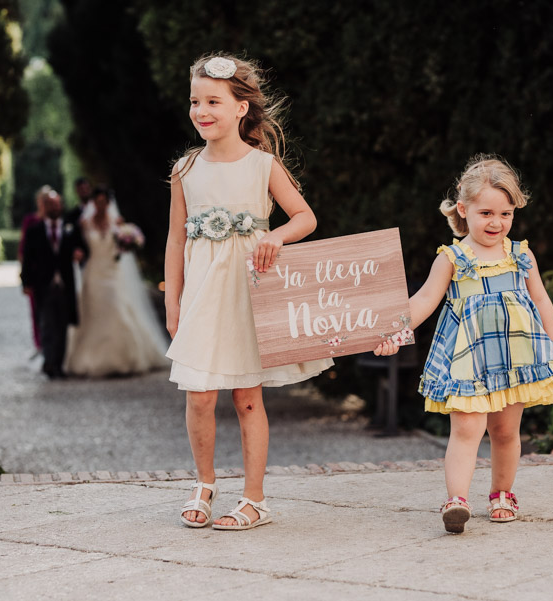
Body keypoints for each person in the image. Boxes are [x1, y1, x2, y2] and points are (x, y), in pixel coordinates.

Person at [165, 54, 332, 531]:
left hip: (248, 295)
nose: (201, 111)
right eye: (195, 101)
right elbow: (175, 240)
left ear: (241, 108)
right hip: (202, 296)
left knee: (247, 397)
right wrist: (172, 301)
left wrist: (275, 236)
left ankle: (254, 499)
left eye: (213, 101)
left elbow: (305, 217)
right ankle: (204, 482)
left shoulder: (263, 165)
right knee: (199, 395)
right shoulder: (185, 169)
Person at [375, 155, 553, 533]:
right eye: (486, 213)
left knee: (505, 432)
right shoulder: (452, 258)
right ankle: (457, 501)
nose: (496, 222)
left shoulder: (520, 255)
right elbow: (423, 300)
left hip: (515, 357)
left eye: (505, 214)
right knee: (467, 429)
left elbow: (541, 300)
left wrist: (552, 348)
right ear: (463, 210)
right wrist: (393, 333)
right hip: (468, 359)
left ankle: (502, 494)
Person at [64, 186, 169, 377]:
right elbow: (76, 245)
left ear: (108, 203)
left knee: (116, 307)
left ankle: (123, 357)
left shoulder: (117, 222)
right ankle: (92, 358)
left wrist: (128, 243)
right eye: (97, 202)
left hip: (112, 272)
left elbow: (125, 247)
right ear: (93, 203)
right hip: (93, 272)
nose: (101, 206)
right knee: (92, 313)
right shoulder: (84, 223)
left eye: (104, 202)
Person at [21, 191, 88, 379]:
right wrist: (26, 282)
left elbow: (84, 248)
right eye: (51, 204)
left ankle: (58, 364)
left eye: (57, 203)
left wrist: (80, 254)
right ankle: (49, 363)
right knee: (47, 325)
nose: (55, 207)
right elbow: (27, 259)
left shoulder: (70, 228)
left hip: (66, 285)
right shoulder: (34, 231)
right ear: (45, 206)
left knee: (63, 326)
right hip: (43, 285)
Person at [18, 185, 52, 354]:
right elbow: (23, 248)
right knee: (35, 309)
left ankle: (51, 343)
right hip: (35, 272)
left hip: (52, 272)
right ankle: (39, 344)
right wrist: (25, 275)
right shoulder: (30, 221)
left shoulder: (56, 220)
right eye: (42, 200)